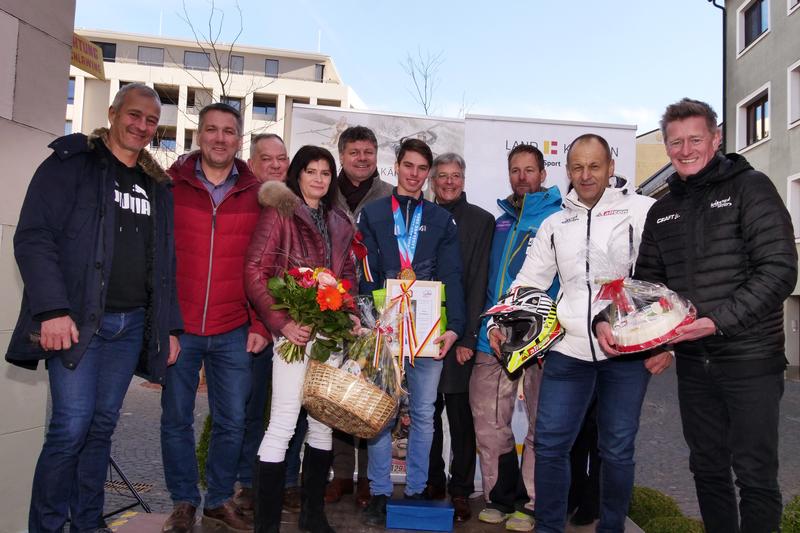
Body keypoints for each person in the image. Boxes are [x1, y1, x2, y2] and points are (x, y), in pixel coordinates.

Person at [595, 98, 798, 533]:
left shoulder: (751, 187)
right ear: (667, 146)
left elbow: (780, 269)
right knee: (706, 469)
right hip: (694, 363)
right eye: (675, 142)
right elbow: (645, 286)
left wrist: (717, 321)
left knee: (755, 475)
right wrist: (609, 321)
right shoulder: (663, 208)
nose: (685, 150)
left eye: (695, 139)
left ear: (716, 139)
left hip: (750, 358)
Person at [6, 83, 182, 532]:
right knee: (70, 427)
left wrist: (171, 327)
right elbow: (32, 238)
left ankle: (87, 523)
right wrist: (51, 310)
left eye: (150, 121)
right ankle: (46, 527)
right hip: (78, 323)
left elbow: (165, 263)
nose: (142, 126)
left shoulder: (157, 186)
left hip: (130, 326)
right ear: (113, 112)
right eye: (135, 115)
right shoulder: (71, 165)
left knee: (102, 428)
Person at [491, 134, 671, 533]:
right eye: (577, 167)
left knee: (617, 450)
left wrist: (665, 342)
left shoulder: (643, 210)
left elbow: (661, 279)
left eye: (594, 166)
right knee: (552, 446)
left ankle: (611, 528)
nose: (586, 175)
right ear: (567, 171)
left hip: (626, 353)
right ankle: (549, 527)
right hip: (568, 351)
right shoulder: (557, 222)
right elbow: (528, 281)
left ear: (610, 167)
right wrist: (499, 322)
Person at [162, 103, 269, 533]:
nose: (219, 138)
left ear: (239, 140)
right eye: (211, 129)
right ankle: (185, 501)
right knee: (175, 418)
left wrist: (261, 325)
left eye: (228, 131)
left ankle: (218, 499)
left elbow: (268, 265)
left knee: (232, 421)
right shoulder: (168, 186)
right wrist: (162, 325)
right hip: (179, 329)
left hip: (233, 329)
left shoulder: (257, 193)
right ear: (199, 134)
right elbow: (156, 260)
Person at [245, 145, 358, 533]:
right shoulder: (281, 212)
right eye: (311, 171)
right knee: (283, 423)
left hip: (329, 337)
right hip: (293, 334)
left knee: (322, 425)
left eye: (326, 173)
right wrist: (281, 322)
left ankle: (313, 516)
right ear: (298, 174)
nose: (319, 179)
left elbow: (349, 280)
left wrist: (352, 316)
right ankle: (267, 524)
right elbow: (256, 270)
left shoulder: (341, 221)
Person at [357, 138, 466, 527]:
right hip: (385, 328)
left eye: (423, 168)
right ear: (397, 167)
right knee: (382, 412)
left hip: (427, 329)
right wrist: (370, 319)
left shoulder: (441, 220)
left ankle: (417, 489)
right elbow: (365, 272)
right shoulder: (372, 214)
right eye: (408, 166)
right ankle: (380, 492)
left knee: (423, 412)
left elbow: (452, 274)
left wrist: (454, 327)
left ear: (429, 174)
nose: (415, 174)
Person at [470, 144, 562, 531]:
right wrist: (488, 327)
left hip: (545, 341)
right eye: (515, 170)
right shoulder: (501, 220)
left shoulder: (560, 219)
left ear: (543, 173)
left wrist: (544, 329)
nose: (522, 177)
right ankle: (500, 497)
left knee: (543, 424)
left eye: (529, 170)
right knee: (490, 422)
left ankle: (532, 503)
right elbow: (492, 284)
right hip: (492, 339)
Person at [235, 133, 307, 515]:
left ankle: (289, 482)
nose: (277, 165)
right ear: (252, 161)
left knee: (290, 409)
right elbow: (248, 269)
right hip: (249, 324)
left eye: (282, 159)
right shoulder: (243, 200)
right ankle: (249, 484)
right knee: (250, 408)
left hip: (286, 326)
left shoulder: (292, 206)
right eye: (268, 158)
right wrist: (258, 323)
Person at [327, 125, 393, 507]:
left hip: (376, 306)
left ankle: (367, 477)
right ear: (342, 155)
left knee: (370, 389)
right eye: (355, 152)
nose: (362, 158)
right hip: (332, 304)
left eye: (369, 152)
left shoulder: (389, 196)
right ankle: (341, 475)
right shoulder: (325, 189)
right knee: (338, 389)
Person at [426, 153, 494, 522]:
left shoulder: (481, 221)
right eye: (443, 176)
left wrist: (469, 336)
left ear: (463, 179)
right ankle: (434, 479)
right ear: (433, 180)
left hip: (462, 335)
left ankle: (461, 488)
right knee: (426, 413)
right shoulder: (420, 217)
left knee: (462, 416)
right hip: (422, 334)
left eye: (456, 176)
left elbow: (480, 279)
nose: (449, 182)